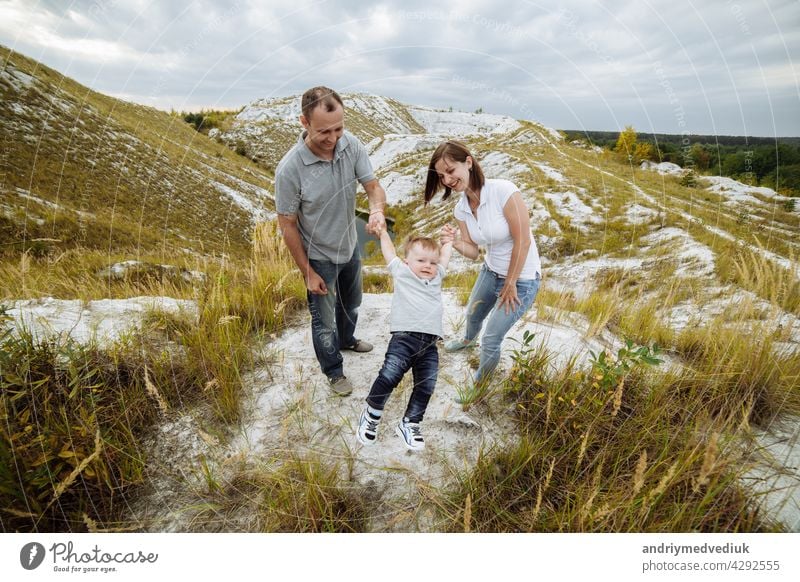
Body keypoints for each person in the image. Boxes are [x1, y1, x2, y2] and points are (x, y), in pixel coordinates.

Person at [275, 86, 388, 396]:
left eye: (339, 128)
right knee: (323, 320)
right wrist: (307, 271)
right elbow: (287, 223)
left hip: (349, 244)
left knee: (351, 303)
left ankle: (347, 339)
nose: (333, 138)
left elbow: (374, 187)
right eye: (324, 131)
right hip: (318, 255)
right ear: (304, 122)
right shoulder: (290, 170)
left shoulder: (351, 146)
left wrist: (377, 211)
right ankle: (334, 371)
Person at [425, 140, 541, 396]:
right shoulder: (461, 208)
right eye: (442, 176)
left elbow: (523, 241)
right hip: (491, 270)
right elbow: (473, 252)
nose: (447, 180)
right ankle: (467, 341)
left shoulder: (504, 191)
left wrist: (510, 283)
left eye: (450, 171)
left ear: (468, 162)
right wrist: (454, 242)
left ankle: (479, 385)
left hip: (521, 279)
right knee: (473, 315)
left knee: (491, 339)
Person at [356, 227, 453, 450]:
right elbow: (390, 253)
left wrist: (448, 241)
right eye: (421, 260)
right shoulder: (403, 272)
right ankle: (372, 415)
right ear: (407, 261)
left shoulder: (438, 275)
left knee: (426, 385)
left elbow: (445, 257)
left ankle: (410, 423)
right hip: (404, 338)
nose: (428, 266)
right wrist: (382, 233)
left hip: (430, 344)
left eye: (432, 262)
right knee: (390, 375)